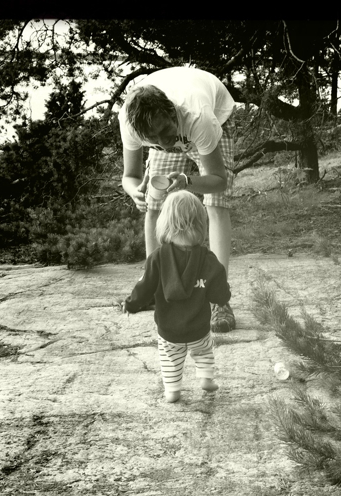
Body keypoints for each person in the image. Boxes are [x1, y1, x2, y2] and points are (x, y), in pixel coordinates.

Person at [119, 66, 236, 332]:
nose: (163, 143)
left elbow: (218, 180)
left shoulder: (198, 117)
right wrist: (135, 191)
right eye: (153, 139)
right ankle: (154, 287)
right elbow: (130, 176)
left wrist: (187, 181)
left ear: (172, 112)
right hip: (177, 123)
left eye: (164, 132)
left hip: (216, 117)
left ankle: (219, 300)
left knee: (216, 203)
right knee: (154, 204)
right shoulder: (131, 125)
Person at [122, 191, 231, 403]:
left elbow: (144, 286)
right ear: (201, 224)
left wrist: (131, 304)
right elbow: (219, 288)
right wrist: (223, 297)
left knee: (169, 358)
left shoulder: (157, 258)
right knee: (204, 351)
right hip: (199, 328)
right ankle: (206, 378)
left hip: (169, 330)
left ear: (165, 224)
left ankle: (172, 390)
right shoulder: (208, 258)